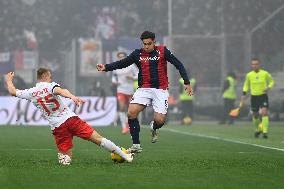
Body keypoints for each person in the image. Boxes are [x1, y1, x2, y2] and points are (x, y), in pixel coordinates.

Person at [4, 68, 133, 165]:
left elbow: (12, 92)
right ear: (45, 76)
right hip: (70, 120)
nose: (50, 77)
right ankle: (125, 155)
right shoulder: (50, 86)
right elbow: (61, 91)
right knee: (98, 139)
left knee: (66, 158)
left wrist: (9, 80)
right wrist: (72, 96)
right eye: (49, 75)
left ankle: (64, 159)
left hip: (57, 127)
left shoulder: (30, 92)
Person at [96, 31, 193, 153]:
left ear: (154, 42)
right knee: (131, 113)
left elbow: (178, 64)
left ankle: (154, 127)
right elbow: (123, 63)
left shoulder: (163, 51)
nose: (146, 46)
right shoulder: (137, 54)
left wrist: (186, 82)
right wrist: (106, 67)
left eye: (149, 43)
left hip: (160, 90)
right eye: (144, 44)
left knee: (160, 120)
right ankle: (136, 145)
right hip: (144, 89)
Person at [240, 58, 275, 139]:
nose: (254, 65)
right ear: (251, 65)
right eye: (253, 64)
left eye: (256, 64)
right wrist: (244, 94)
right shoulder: (249, 75)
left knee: (264, 113)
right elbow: (246, 85)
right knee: (255, 115)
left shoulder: (265, 73)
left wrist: (268, 88)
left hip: (263, 96)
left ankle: (265, 131)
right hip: (254, 97)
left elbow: (272, 81)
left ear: (259, 65)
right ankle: (257, 129)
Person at [112, 51, 138, 134]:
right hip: (120, 90)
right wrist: (114, 82)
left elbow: (138, 75)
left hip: (130, 90)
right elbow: (113, 77)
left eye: (123, 56)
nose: (121, 58)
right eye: (119, 57)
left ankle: (128, 123)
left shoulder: (131, 66)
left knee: (130, 110)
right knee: (122, 108)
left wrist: (132, 78)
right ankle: (124, 127)